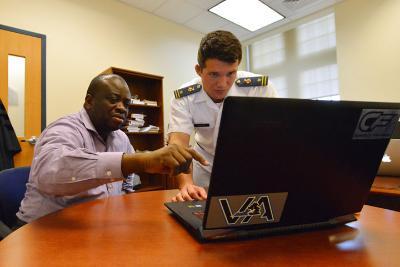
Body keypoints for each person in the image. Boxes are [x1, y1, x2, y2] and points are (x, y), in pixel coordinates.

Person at [16, 74, 207, 226]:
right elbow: (50, 173)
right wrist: (142, 160)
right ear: (89, 101)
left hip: (94, 228)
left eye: (127, 103)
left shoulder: (121, 138)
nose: (122, 108)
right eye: (114, 100)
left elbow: (126, 186)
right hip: (44, 229)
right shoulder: (64, 128)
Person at [168, 30, 278, 202]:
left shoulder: (259, 88)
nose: (222, 83)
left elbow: (274, 138)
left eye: (230, 73)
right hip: (205, 166)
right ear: (199, 70)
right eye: (214, 74)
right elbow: (177, 147)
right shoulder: (184, 97)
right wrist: (186, 185)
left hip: (249, 164)